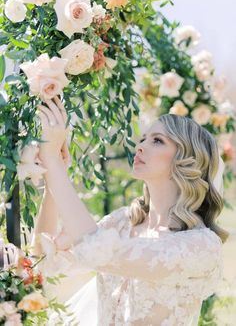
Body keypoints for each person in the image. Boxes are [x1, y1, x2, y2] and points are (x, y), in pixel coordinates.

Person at [32, 96, 229, 326]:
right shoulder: (122, 222)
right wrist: (51, 181)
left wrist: (53, 164)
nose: (141, 145)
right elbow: (43, 263)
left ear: (186, 159)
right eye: (143, 138)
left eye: (157, 141)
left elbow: (94, 247)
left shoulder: (201, 246)